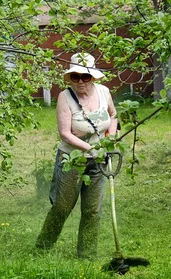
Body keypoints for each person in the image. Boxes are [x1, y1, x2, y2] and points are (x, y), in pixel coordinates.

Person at [35, 53, 118, 259]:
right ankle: (42, 248)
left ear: (93, 77)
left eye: (85, 76)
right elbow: (65, 133)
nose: (80, 81)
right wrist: (89, 149)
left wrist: (111, 138)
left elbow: (113, 115)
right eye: (76, 77)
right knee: (62, 207)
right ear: (71, 78)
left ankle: (87, 255)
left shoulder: (104, 92)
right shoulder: (65, 97)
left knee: (92, 210)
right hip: (71, 160)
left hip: (99, 160)